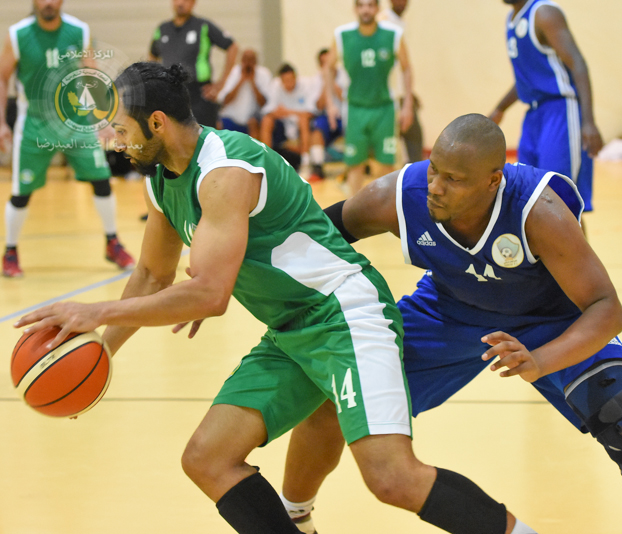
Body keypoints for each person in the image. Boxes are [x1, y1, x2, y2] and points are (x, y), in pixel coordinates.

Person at [14, 64, 537, 534]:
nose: (115, 143)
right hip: (289, 330)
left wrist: (95, 310)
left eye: (122, 130)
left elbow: (211, 294)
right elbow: (153, 274)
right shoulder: (161, 181)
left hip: (343, 314)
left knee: (392, 478)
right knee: (208, 457)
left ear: (157, 123)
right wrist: (101, 351)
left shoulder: (225, 170)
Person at [278, 114, 622, 534]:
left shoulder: (539, 211)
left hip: (550, 316)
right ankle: (294, 518)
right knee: (339, 391)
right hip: (450, 308)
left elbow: (607, 308)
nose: (435, 186)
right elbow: (309, 237)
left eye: (453, 179)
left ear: (494, 181)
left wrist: (541, 359)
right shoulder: (399, 196)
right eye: (434, 170)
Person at [0, 0, 135, 278]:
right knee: (21, 192)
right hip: (35, 124)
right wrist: (1, 122)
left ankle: (112, 242)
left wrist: (102, 119)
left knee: (101, 179)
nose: (48, 3)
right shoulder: (17, 35)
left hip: (76, 121)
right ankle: (10, 251)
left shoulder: (79, 30)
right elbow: (2, 78)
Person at [490, 0, 602, 220]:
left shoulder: (543, 13)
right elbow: (526, 79)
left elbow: (577, 62)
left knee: (560, 201)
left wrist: (589, 121)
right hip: (533, 115)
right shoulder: (512, 20)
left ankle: (576, 245)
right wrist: (500, 109)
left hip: (561, 110)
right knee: (529, 197)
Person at [325, 0, 414, 195]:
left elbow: (406, 68)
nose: (366, 10)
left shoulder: (393, 34)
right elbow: (329, 68)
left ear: (377, 9)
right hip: (355, 108)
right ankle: (354, 209)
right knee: (355, 163)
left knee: (387, 163)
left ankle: (385, 208)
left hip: (385, 109)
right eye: (362, 5)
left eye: (370, 5)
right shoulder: (342, 35)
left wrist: (407, 104)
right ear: (355, 9)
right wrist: (330, 103)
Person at [149, 0, 238, 127]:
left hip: (198, 94)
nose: (180, 3)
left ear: (193, 3)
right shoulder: (162, 29)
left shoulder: (203, 26)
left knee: (202, 136)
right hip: (171, 93)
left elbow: (232, 48)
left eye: (185, 0)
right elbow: (152, 55)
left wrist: (221, 84)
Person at [376, 0, 424, 164]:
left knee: (413, 135)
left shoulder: (401, 23)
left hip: (400, 93)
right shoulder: (383, 23)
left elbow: (403, 67)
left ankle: (410, 171)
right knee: (392, 145)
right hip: (387, 96)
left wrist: (408, 94)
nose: (402, 2)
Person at [259, 63, 315, 175]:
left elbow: (311, 112)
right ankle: (267, 161)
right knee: (267, 120)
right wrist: (280, 113)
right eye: (285, 81)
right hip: (283, 125)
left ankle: (305, 162)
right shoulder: (275, 86)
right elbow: (268, 110)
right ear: (281, 80)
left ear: (296, 77)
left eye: (291, 80)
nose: (288, 83)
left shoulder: (306, 85)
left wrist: (288, 112)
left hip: (300, 125)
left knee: (303, 120)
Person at [306, 48, 348, 182]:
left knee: (355, 127)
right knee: (316, 131)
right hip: (326, 117)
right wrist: (326, 83)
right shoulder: (315, 81)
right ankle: (318, 167)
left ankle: (356, 164)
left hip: (344, 116)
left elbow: (347, 99)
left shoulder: (346, 75)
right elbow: (318, 106)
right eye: (324, 63)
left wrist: (332, 82)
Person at [217, 48, 271, 139]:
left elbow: (264, 103)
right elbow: (225, 101)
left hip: (252, 119)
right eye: (246, 60)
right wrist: (241, 81)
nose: (248, 63)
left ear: (256, 62)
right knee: (218, 124)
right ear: (241, 61)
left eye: (251, 60)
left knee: (255, 123)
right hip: (231, 117)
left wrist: (253, 82)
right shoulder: (234, 72)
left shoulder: (263, 74)